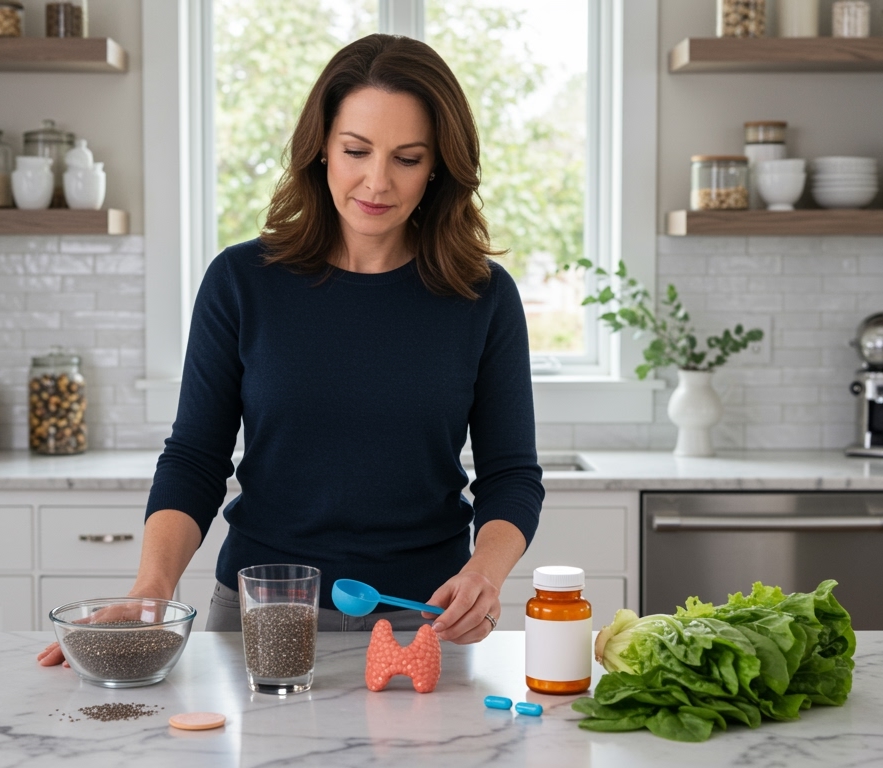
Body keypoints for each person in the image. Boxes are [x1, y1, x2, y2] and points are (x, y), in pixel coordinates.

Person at [38, 33, 542, 667]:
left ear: (439, 164)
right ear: (320, 150)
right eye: (356, 150)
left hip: (426, 621)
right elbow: (196, 458)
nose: (377, 181)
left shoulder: (482, 296)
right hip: (264, 613)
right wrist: (152, 589)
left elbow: (512, 476)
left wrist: (485, 576)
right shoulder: (242, 282)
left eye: (407, 158)